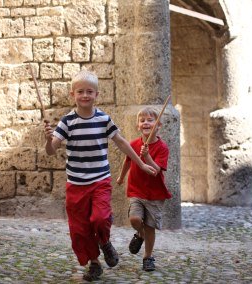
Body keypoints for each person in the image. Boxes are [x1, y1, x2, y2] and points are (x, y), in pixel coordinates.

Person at [44, 70, 156, 281]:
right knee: (80, 229)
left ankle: (105, 242)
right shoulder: (67, 121)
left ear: (97, 94)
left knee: (100, 218)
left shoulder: (104, 119)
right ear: (72, 94)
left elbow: (121, 141)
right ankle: (94, 263)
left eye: (89, 91)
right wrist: (49, 140)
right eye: (80, 92)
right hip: (75, 185)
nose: (85, 95)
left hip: (99, 181)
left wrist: (139, 163)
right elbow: (51, 151)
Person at [116, 106, 172, 272]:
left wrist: (147, 156)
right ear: (137, 126)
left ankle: (148, 256)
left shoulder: (162, 148)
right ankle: (139, 234)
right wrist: (121, 177)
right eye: (142, 120)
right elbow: (127, 161)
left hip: (154, 194)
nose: (146, 123)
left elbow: (156, 171)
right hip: (136, 190)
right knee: (135, 219)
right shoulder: (133, 144)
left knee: (150, 227)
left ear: (158, 125)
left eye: (150, 120)